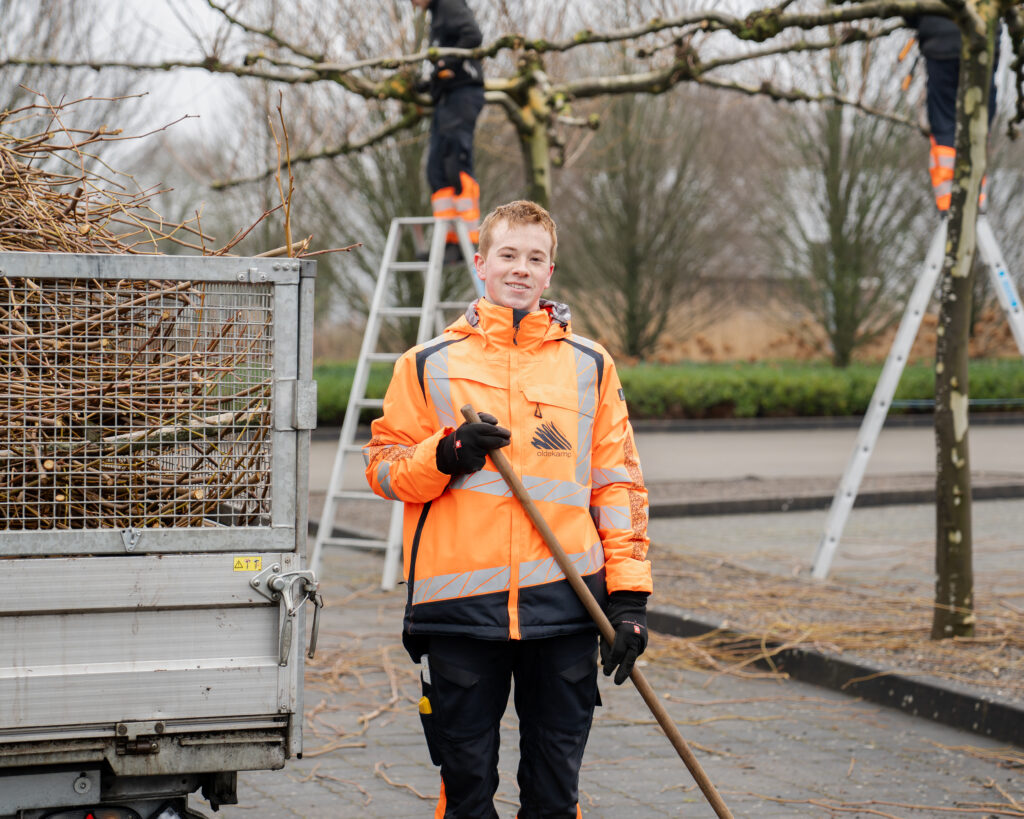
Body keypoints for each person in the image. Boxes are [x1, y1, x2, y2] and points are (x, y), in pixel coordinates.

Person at [364, 200, 653, 818]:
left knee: (554, 796)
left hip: (567, 610)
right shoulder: (426, 365)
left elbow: (618, 487)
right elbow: (383, 470)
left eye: (535, 257)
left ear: (550, 271)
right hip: (459, 614)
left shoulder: (591, 367)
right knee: (467, 795)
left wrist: (628, 601)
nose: (521, 268)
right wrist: (447, 453)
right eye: (508, 255)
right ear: (481, 263)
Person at [905, 14, 1000, 212]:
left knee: (946, 126)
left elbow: (910, 11)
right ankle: (974, 199)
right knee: (978, 125)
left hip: (941, 47)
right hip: (983, 47)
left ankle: (950, 202)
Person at [411, 0, 485, 249]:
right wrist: (431, 81)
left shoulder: (449, 5)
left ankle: (470, 238)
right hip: (446, 97)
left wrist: (445, 64)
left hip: (463, 93)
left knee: (456, 161)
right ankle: (450, 239)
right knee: (436, 169)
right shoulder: (436, 15)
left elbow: (473, 36)